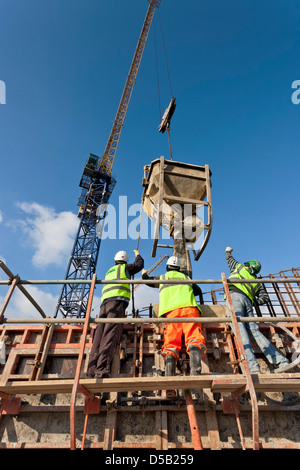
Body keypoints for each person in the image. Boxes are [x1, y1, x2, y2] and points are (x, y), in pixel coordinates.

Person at [142, 256, 206, 395]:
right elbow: (198, 290)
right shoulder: (186, 278)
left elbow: (147, 281)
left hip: (172, 312)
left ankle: (169, 380)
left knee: (171, 345)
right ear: (178, 268)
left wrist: (144, 274)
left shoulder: (163, 277)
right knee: (194, 339)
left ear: (168, 267)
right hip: (190, 310)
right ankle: (196, 374)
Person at [225, 246, 289, 373]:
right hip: (248, 303)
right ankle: (281, 361)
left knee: (240, 331)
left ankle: (253, 368)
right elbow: (265, 298)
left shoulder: (239, 268)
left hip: (235, 298)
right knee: (255, 332)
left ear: (248, 265)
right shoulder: (256, 282)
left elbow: (229, 258)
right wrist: (253, 301)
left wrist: (228, 251)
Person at [87, 249, 144, 378]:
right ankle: (101, 370)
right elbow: (139, 265)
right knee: (109, 335)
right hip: (117, 302)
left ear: (115, 260)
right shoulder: (124, 268)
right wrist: (138, 255)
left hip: (104, 304)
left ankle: (90, 371)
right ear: (125, 261)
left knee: (98, 337)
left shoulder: (110, 271)